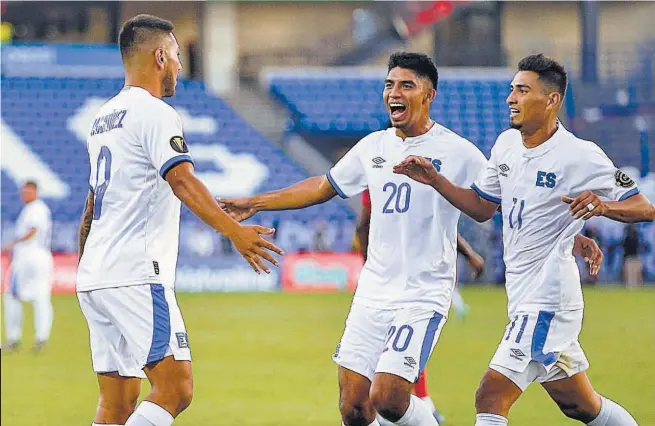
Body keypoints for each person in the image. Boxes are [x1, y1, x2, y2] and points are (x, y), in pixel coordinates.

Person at [222, 51, 488, 426]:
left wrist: (438, 182)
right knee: (353, 408)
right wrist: (256, 201)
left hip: (422, 292)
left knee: (390, 399)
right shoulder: (373, 147)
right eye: (389, 84)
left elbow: (487, 206)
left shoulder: (459, 153)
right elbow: (322, 186)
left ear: (429, 95)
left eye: (406, 85)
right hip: (373, 291)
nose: (394, 92)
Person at [393, 53, 654, 426]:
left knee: (491, 394)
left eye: (522, 90)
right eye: (512, 90)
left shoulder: (579, 155)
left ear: (551, 100)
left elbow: (644, 208)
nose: (511, 98)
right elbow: (484, 206)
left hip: (547, 300)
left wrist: (602, 206)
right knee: (580, 404)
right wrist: (436, 180)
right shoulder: (507, 145)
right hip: (522, 296)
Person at [76, 14, 283, 426]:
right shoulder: (155, 112)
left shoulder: (102, 119)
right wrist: (235, 233)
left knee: (117, 403)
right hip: (136, 271)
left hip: (95, 274)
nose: (179, 66)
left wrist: (89, 263)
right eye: (174, 56)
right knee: (175, 388)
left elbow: (91, 205)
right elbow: (183, 181)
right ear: (158, 57)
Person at [2, 180, 53, 352]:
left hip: (30, 256)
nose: (24, 194)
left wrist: (13, 243)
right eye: (23, 191)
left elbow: (33, 230)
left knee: (12, 294)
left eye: (28, 191)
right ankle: (41, 337)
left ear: (35, 191)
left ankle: (14, 338)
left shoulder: (36, 209)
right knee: (40, 296)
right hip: (39, 256)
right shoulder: (38, 208)